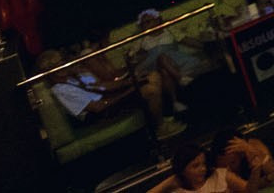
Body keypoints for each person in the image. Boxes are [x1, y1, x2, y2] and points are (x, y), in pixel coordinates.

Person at [38, 44, 179, 137]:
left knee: (151, 75)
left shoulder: (71, 78)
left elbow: (101, 86)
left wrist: (129, 83)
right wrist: (128, 91)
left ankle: (168, 116)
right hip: (99, 112)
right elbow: (97, 107)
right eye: (61, 64)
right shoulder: (60, 90)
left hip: (104, 98)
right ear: (52, 71)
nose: (66, 65)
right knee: (149, 90)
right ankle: (160, 129)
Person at [153, 142, 249, 192]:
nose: (203, 168)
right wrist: (171, 181)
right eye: (195, 166)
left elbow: (250, 189)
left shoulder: (219, 175)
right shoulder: (178, 190)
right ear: (182, 170)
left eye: (203, 164)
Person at [210, 128, 274, 185]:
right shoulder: (214, 165)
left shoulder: (253, 146)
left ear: (241, 154)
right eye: (224, 166)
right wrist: (268, 179)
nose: (229, 170)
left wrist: (251, 150)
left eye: (232, 163)